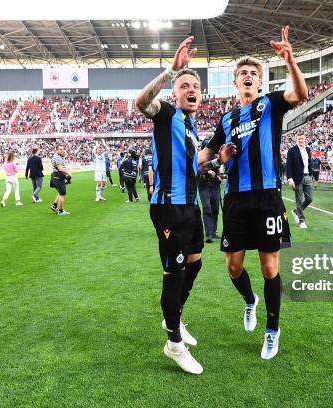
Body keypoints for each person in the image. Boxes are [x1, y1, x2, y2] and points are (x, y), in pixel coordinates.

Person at [198, 26, 308, 360]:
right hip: (234, 199)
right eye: (242, 74)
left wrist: (290, 61)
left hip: (267, 198)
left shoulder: (270, 104)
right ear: (236, 83)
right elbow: (205, 156)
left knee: (270, 268)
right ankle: (250, 301)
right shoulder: (227, 118)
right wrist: (217, 157)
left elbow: (300, 94)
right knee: (233, 267)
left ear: (259, 82)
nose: (247, 77)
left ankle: (272, 330)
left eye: (252, 74)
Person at [135, 36, 205, 374]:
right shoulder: (165, 114)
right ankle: (173, 343)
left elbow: (192, 161)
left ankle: (175, 317)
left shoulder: (191, 126)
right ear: (175, 93)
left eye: (195, 85)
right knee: (174, 273)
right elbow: (140, 101)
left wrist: (215, 157)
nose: (191, 89)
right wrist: (170, 70)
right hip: (168, 207)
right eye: (185, 85)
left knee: (195, 263)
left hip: (191, 207)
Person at [286, 133, 313, 229]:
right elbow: (288, 165)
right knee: (299, 200)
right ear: (296, 140)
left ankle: (296, 211)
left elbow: (309, 163)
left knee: (310, 198)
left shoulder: (308, 150)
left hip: (307, 177)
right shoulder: (292, 150)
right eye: (299, 139)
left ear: (305, 139)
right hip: (297, 178)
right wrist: (290, 179)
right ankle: (302, 221)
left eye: (302, 138)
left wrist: (312, 175)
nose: (301, 140)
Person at [198, 138, 221, 243]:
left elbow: (220, 172)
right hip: (204, 186)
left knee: (215, 208)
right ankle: (208, 234)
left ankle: (213, 231)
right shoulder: (200, 157)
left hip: (215, 185)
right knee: (207, 208)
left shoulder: (216, 157)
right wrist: (208, 171)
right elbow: (198, 169)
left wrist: (219, 176)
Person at [49, 144, 71, 216]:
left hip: (56, 177)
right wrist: (69, 173)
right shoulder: (57, 157)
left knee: (60, 192)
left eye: (62, 149)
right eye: (60, 149)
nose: (62, 150)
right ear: (56, 150)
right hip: (58, 177)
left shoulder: (58, 156)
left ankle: (54, 205)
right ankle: (61, 211)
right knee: (62, 194)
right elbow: (61, 169)